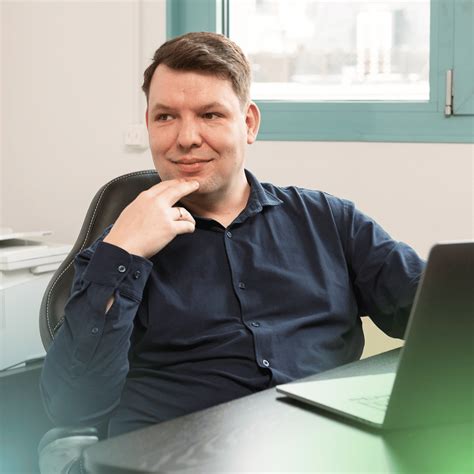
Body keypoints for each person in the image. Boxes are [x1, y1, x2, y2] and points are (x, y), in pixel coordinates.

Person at [40, 32, 425, 438]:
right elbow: (72, 405)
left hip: (323, 442)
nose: (186, 138)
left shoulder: (329, 220)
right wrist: (123, 253)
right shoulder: (120, 246)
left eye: (210, 115)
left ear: (249, 123)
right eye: (166, 117)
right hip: (177, 453)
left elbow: (438, 313)